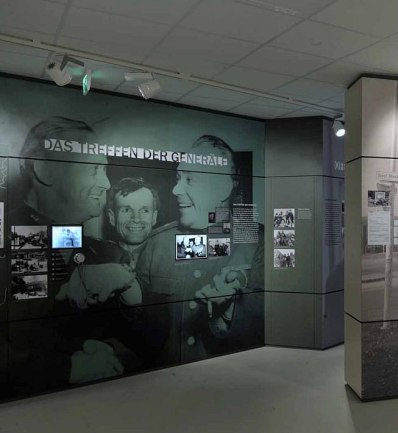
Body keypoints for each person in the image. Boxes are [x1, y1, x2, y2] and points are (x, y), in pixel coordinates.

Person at [8, 117, 143, 393]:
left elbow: (155, 335)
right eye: (93, 169)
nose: (106, 183)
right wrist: (68, 369)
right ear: (46, 170)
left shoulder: (107, 253)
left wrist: (129, 286)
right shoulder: (12, 238)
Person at [124, 135, 265, 365]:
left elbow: (269, 328)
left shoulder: (257, 242)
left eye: (190, 180)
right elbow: (140, 334)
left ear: (225, 187)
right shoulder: (158, 243)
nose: (176, 189)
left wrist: (228, 309)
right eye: (178, 178)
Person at [106, 177, 159, 267]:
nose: (136, 219)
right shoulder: (100, 261)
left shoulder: (166, 258)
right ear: (112, 217)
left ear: (154, 217)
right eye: (126, 210)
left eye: (144, 210)